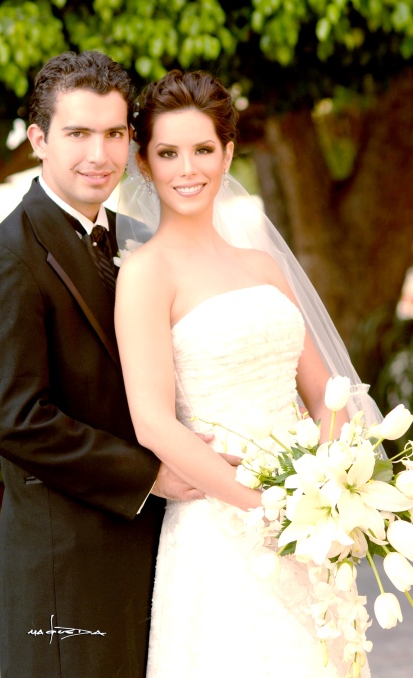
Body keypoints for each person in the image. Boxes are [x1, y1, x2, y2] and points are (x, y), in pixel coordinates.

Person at [114, 70, 380, 676]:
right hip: (219, 531)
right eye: (168, 152)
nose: (188, 168)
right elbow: (152, 422)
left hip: (308, 530)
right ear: (144, 163)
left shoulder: (264, 265)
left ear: (228, 152)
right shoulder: (146, 273)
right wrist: (264, 508)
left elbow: (328, 392)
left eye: (204, 149)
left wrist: (329, 493)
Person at [0, 51, 205, 678]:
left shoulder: (140, 242)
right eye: (77, 133)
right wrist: (150, 475)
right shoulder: (4, 259)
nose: (98, 154)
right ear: (38, 139)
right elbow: (13, 419)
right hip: (65, 571)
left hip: (162, 552)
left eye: (114, 134)